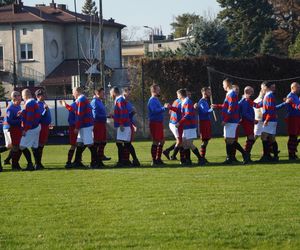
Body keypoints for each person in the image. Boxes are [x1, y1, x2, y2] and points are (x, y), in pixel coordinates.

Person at [212, 79, 248, 164]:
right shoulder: (229, 93)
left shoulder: (232, 94)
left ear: (227, 84)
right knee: (228, 139)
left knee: (230, 140)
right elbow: (226, 106)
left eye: (223, 84)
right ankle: (231, 158)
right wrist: (216, 106)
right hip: (230, 120)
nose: (223, 86)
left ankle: (241, 155)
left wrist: (225, 119)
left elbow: (231, 108)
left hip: (231, 120)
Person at [176, 89, 205, 166]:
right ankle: (188, 160)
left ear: (181, 95)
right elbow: (179, 111)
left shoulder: (187, 102)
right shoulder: (183, 102)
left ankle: (200, 158)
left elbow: (188, 115)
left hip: (190, 126)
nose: (177, 96)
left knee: (189, 143)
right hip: (186, 126)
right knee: (185, 143)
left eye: (177, 95)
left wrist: (179, 122)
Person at [72, 87, 99, 169]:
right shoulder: (82, 99)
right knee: (80, 144)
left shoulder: (81, 100)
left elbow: (80, 114)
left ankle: (95, 162)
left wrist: (77, 127)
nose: (73, 94)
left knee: (89, 144)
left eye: (73, 92)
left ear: (77, 91)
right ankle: (77, 162)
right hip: (84, 125)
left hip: (86, 125)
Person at [19, 89, 41, 171]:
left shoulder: (30, 103)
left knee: (21, 146)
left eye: (22, 96)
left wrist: (25, 129)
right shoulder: (33, 102)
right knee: (35, 146)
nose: (22, 97)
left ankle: (30, 164)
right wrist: (22, 113)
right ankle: (37, 165)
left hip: (31, 128)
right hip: (36, 126)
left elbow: (30, 118)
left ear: (26, 95)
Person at [147, 84, 169, 166]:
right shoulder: (152, 100)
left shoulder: (156, 99)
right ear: (154, 91)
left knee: (162, 141)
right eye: (158, 90)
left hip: (158, 123)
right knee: (156, 141)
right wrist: (164, 107)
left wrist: (164, 108)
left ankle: (158, 159)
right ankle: (154, 160)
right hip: (154, 123)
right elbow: (154, 110)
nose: (159, 91)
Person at [239, 86, 262, 161]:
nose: (253, 93)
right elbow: (244, 113)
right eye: (252, 92)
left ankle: (247, 155)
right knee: (251, 138)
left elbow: (257, 105)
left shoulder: (248, 100)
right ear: (248, 92)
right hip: (246, 122)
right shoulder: (245, 100)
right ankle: (246, 155)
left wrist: (264, 100)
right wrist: (253, 120)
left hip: (248, 122)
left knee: (250, 138)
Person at [110, 86, 132, 167]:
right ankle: (126, 161)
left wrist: (121, 123)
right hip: (124, 124)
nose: (110, 95)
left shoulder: (119, 100)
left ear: (114, 93)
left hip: (123, 125)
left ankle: (122, 161)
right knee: (126, 144)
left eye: (110, 93)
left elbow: (123, 112)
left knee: (121, 144)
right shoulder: (120, 99)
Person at [259, 82, 281, 162]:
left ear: (265, 87)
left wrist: (266, 120)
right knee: (271, 138)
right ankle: (274, 156)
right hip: (271, 120)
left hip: (270, 120)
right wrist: (249, 101)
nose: (262, 89)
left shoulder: (270, 95)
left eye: (262, 87)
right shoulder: (267, 95)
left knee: (263, 136)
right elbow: (259, 105)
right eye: (272, 87)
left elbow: (271, 110)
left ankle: (266, 156)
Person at [1, 91, 22, 171]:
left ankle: (10, 162)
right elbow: (9, 121)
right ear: (14, 97)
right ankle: (14, 165)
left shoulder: (18, 106)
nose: (20, 97)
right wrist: (20, 120)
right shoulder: (10, 107)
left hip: (15, 129)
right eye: (18, 96)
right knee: (14, 146)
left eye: (20, 95)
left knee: (13, 146)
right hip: (8, 128)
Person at [123, 87, 141, 167]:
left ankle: (132, 160)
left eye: (130, 93)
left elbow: (128, 117)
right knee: (126, 144)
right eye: (129, 93)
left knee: (127, 144)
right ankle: (128, 160)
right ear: (124, 93)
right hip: (124, 125)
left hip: (128, 125)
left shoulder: (128, 103)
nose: (130, 95)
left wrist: (133, 125)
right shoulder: (122, 102)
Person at [90, 88, 107, 167]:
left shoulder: (99, 101)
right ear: (97, 93)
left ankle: (99, 160)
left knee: (103, 142)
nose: (104, 94)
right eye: (102, 93)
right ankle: (94, 161)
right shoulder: (94, 102)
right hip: (97, 124)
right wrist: (105, 116)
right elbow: (95, 115)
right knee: (97, 143)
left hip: (102, 124)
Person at [163, 91, 182, 161]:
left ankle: (167, 151)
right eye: (187, 94)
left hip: (173, 123)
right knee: (180, 141)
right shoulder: (180, 102)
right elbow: (176, 110)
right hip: (175, 123)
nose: (189, 96)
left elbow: (170, 111)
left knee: (180, 140)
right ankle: (173, 156)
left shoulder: (176, 101)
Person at [35, 89, 52, 170]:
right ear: (37, 96)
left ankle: (39, 163)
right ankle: (37, 163)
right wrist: (45, 109)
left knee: (41, 145)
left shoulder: (42, 103)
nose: (44, 95)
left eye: (44, 94)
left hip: (45, 126)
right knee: (40, 145)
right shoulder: (37, 104)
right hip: (41, 126)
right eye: (42, 94)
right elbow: (40, 116)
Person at [60, 99, 79, 168]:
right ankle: (69, 162)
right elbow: (74, 111)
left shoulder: (74, 105)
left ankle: (77, 161)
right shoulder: (75, 105)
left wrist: (65, 105)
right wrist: (65, 105)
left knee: (78, 144)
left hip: (75, 126)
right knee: (74, 144)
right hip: (74, 126)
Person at [196, 87, 213, 162]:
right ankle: (201, 158)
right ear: (204, 92)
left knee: (206, 140)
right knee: (205, 140)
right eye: (208, 91)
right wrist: (211, 109)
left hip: (206, 121)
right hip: (203, 122)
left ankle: (202, 157)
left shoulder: (205, 101)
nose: (210, 93)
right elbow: (204, 112)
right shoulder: (202, 101)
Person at [285, 82, 300, 160]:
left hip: (297, 117)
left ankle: (293, 151)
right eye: (297, 87)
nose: (299, 89)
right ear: (292, 88)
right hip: (292, 117)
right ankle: (291, 154)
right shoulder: (290, 96)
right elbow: (295, 107)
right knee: (292, 136)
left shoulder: (296, 96)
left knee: (295, 136)